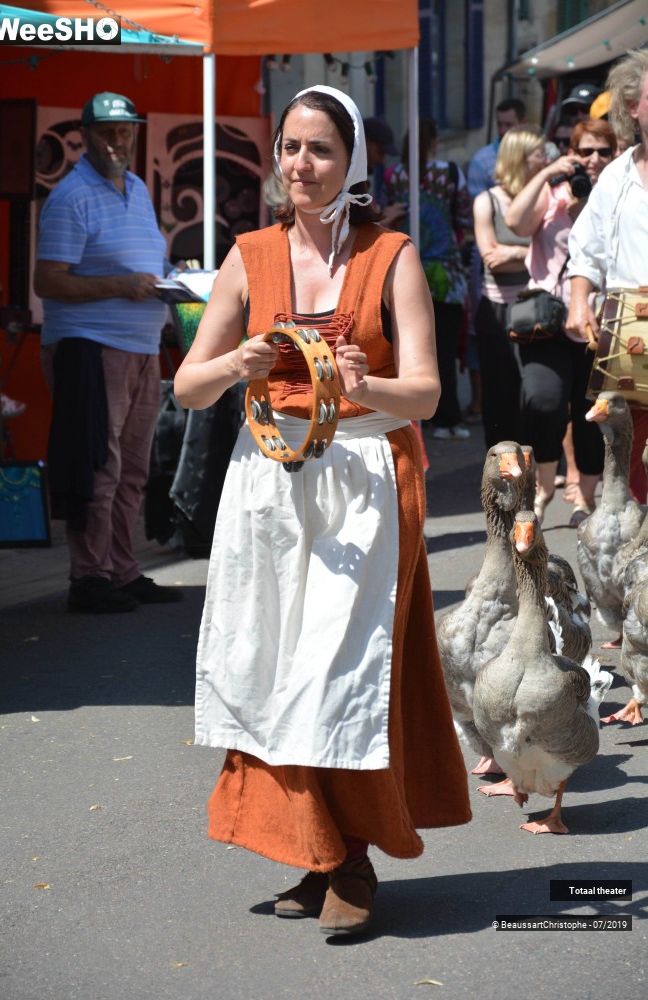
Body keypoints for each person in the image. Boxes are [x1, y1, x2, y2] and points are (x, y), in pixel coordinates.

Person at [174, 84, 471, 937]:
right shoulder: (247, 255)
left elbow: (423, 394)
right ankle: (314, 846)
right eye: (290, 148)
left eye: (321, 151)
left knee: (337, 672)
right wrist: (240, 359)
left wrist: (355, 381)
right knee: (269, 666)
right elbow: (190, 389)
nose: (301, 166)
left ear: (353, 164)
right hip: (269, 482)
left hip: (367, 482)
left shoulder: (391, 255)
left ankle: (352, 859)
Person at [33, 92, 183, 613]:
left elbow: (142, 264)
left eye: (126, 131)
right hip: (91, 348)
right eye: (107, 132)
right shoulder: (70, 197)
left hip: (139, 346)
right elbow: (47, 281)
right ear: (85, 134)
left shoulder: (137, 188)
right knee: (99, 466)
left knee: (134, 469)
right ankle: (89, 577)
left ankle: (123, 568)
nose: (118, 141)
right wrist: (122, 285)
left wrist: (169, 294)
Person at [504, 116, 618, 527]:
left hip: (600, 323)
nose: (593, 159)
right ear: (572, 151)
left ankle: (584, 497)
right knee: (542, 401)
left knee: (590, 410)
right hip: (547, 321)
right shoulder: (552, 193)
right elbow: (516, 223)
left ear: (616, 154)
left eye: (603, 151)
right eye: (585, 150)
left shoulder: (619, 197)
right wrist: (548, 172)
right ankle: (542, 489)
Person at [567, 49, 648, 504]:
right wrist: (580, 301)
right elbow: (587, 249)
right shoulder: (615, 176)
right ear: (633, 106)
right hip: (629, 339)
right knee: (632, 455)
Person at [386, 118, 473, 440]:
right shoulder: (449, 173)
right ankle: (448, 417)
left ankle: (417, 420)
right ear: (435, 141)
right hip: (445, 275)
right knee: (444, 351)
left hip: (403, 269)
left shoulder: (394, 176)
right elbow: (464, 215)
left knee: (410, 348)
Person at [472, 124, 542, 449]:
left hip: (535, 307)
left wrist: (514, 251)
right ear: (521, 159)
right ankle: (499, 468)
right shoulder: (487, 202)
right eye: (538, 154)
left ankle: (532, 467)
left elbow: (559, 256)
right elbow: (492, 259)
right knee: (499, 395)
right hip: (497, 311)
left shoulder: (543, 199)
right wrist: (534, 255)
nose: (545, 159)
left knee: (535, 394)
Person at [467, 97, 527, 200]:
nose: (502, 130)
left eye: (508, 125)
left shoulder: (534, 155)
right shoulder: (481, 160)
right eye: (499, 124)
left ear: (523, 123)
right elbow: (476, 202)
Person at [362, 115, 405, 227]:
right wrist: (384, 221)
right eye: (381, 152)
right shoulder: (346, 180)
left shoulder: (359, 181)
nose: (383, 160)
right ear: (366, 143)